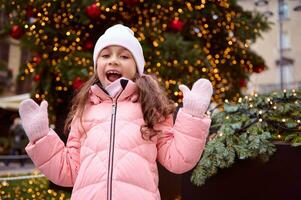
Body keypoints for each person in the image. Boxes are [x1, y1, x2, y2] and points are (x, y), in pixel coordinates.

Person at [18, 24, 213, 200]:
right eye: (106, 55)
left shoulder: (150, 107)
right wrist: (42, 137)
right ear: (97, 67)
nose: (113, 61)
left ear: (137, 68)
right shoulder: (84, 111)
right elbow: (68, 171)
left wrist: (193, 116)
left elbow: (178, 160)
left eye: (124, 56)